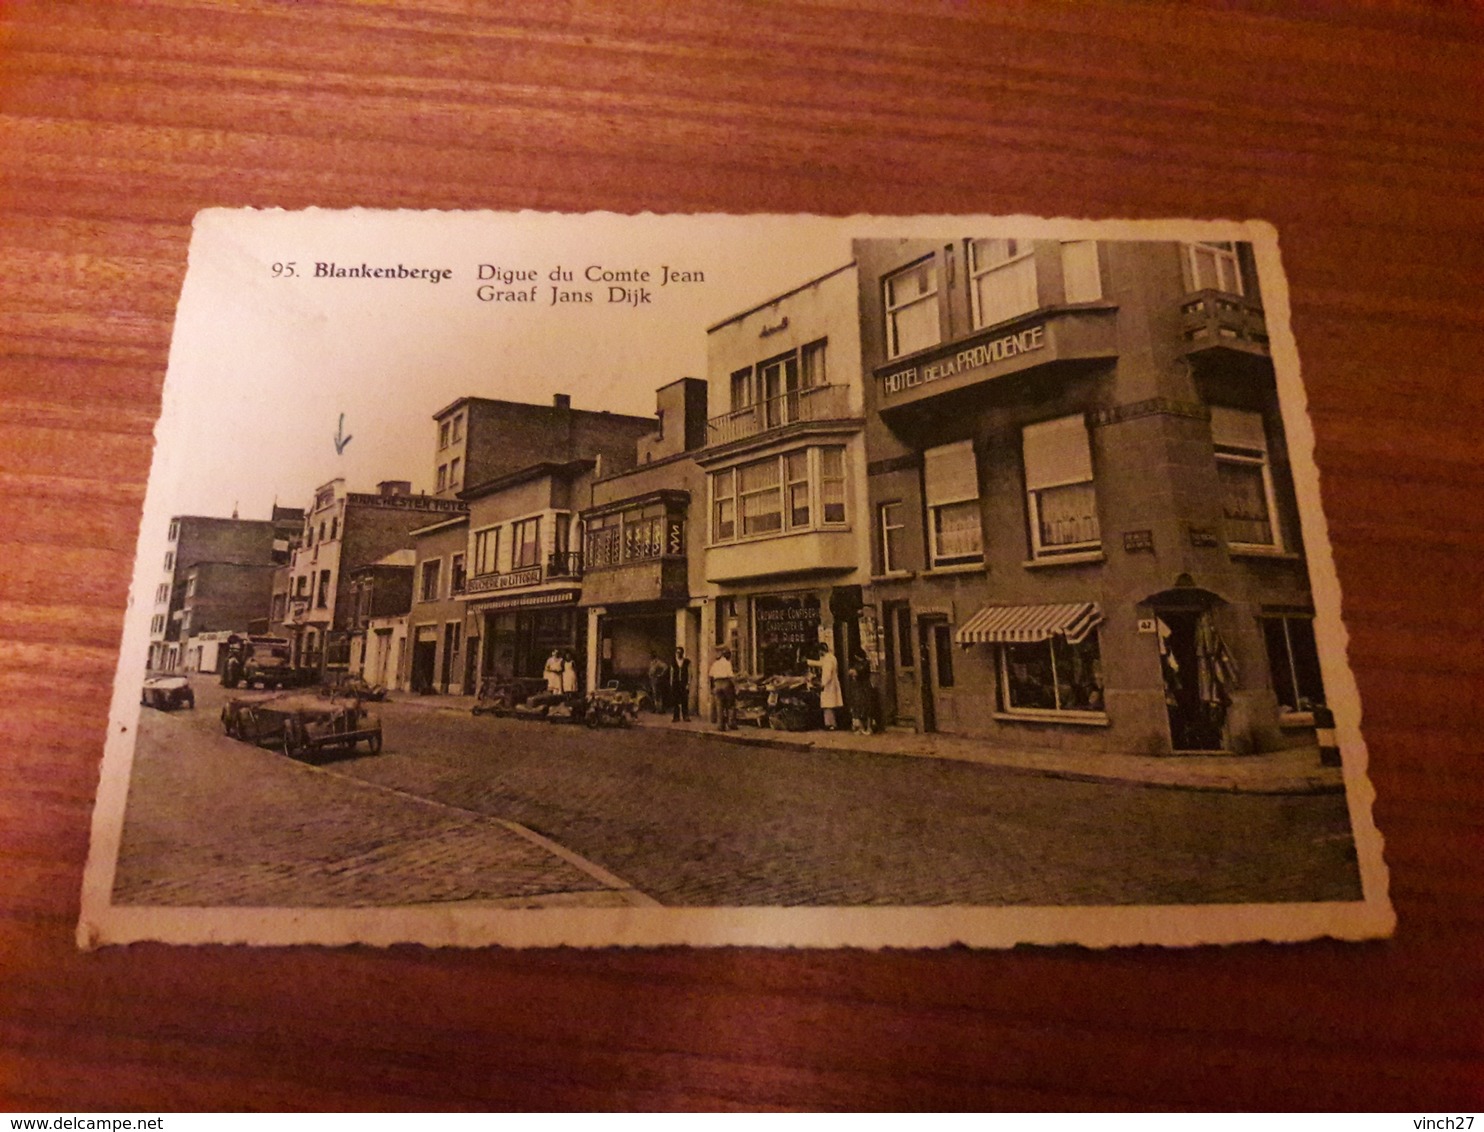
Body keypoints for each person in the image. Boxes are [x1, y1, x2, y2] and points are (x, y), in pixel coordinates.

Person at [806, 640, 843, 731]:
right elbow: (820, 664)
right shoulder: (831, 657)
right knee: (829, 705)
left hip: (829, 684)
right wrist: (809, 662)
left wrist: (822, 684)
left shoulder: (828, 659)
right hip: (832, 683)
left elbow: (827, 673)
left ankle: (830, 725)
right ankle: (830, 724)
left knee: (828, 706)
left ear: (821, 650)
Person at [708, 647, 736, 732]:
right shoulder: (727, 663)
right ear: (727, 655)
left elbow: (710, 676)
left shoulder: (715, 663)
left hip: (717, 684)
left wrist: (712, 687)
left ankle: (720, 726)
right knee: (730, 704)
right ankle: (731, 723)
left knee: (719, 706)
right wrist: (736, 686)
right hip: (726, 684)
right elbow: (731, 676)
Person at [846, 648, 873, 734]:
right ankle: (861, 728)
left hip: (864, 687)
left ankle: (868, 727)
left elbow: (857, 672)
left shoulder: (865, 664)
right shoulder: (859, 664)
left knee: (866, 707)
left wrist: (854, 672)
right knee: (859, 707)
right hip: (860, 687)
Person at [668, 646, 691, 722]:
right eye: (677, 652)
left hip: (683, 683)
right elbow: (671, 673)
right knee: (675, 700)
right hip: (675, 683)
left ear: (682, 653)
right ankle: (676, 717)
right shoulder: (673, 662)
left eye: (680, 652)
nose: (678, 654)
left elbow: (690, 673)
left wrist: (688, 683)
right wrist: (671, 683)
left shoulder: (687, 662)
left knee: (684, 699)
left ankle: (685, 716)